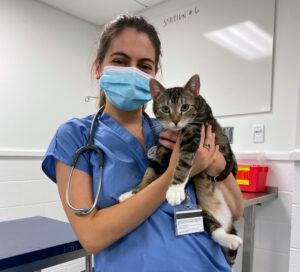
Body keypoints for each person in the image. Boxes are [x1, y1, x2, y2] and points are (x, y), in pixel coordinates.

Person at [41, 14, 244, 272]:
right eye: (120, 61)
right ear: (98, 68)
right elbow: (92, 237)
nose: (133, 72)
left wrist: (216, 164)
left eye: (144, 66)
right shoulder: (76, 136)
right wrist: (175, 174)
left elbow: (236, 209)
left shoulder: (175, 132)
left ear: (154, 79)